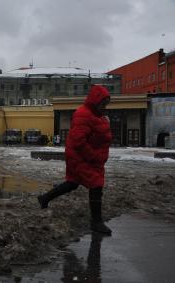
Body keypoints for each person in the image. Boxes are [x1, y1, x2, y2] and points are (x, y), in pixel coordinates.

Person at [37, 85, 113, 235]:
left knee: (72, 183)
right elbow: (79, 142)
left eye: (106, 104)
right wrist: (95, 157)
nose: (105, 108)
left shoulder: (95, 115)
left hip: (85, 157)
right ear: (95, 102)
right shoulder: (83, 114)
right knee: (96, 185)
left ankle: (45, 198)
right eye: (103, 104)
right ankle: (96, 222)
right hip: (80, 157)